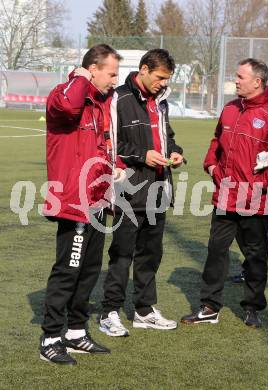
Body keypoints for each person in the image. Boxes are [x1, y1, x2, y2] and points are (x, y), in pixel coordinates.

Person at [181, 58, 268, 328]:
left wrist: (263, 182)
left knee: (255, 255)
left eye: (240, 76)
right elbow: (216, 142)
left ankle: (253, 308)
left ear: (257, 82)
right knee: (216, 252)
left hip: (256, 200)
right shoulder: (230, 109)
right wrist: (211, 165)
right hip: (225, 196)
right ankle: (209, 307)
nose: (236, 80)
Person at [40, 44, 124, 365]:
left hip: (98, 201)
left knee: (89, 271)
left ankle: (75, 331)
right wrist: (79, 78)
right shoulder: (66, 94)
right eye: (112, 73)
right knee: (68, 270)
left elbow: (101, 147)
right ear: (92, 69)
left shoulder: (102, 103)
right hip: (74, 203)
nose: (116, 80)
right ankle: (50, 336)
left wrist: (115, 170)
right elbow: (68, 107)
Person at [99, 49, 184, 336]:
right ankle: (109, 311)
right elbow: (109, 143)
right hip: (128, 190)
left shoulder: (161, 102)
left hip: (158, 189)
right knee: (122, 254)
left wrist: (175, 153)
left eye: (167, 78)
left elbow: (167, 137)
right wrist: (141, 155)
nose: (163, 83)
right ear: (144, 69)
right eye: (160, 77)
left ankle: (144, 311)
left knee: (151, 254)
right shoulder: (118, 99)